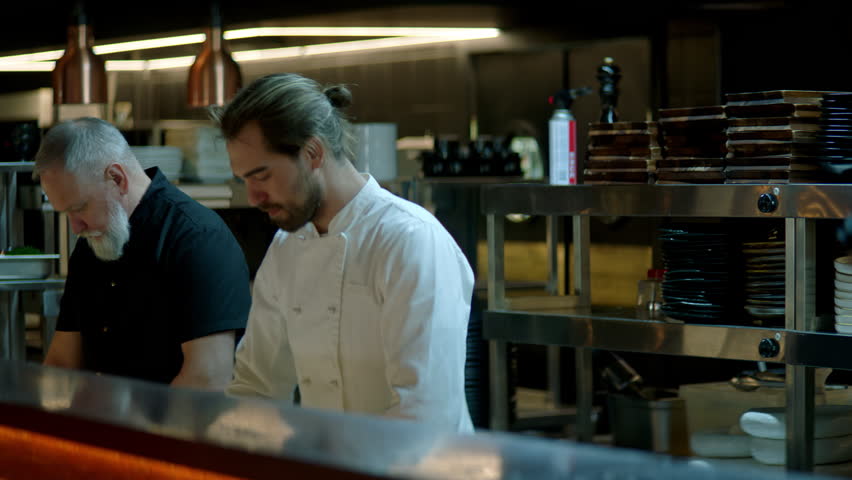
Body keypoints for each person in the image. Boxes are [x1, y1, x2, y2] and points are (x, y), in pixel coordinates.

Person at [214, 73, 474, 432]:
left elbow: (424, 414)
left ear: (313, 153)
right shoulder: (287, 247)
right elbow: (256, 385)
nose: (254, 197)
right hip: (334, 462)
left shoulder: (409, 241)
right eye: (244, 180)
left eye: (262, 175)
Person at [36, 117, 251, 390]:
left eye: (79, 208)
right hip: (101, 426)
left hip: (174, 429)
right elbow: (62, 363)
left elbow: (207, 378)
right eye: (66, 213)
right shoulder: (90, 245)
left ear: (116, 178)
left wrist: (132, 433)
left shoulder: (197, 239)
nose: (75, 227)